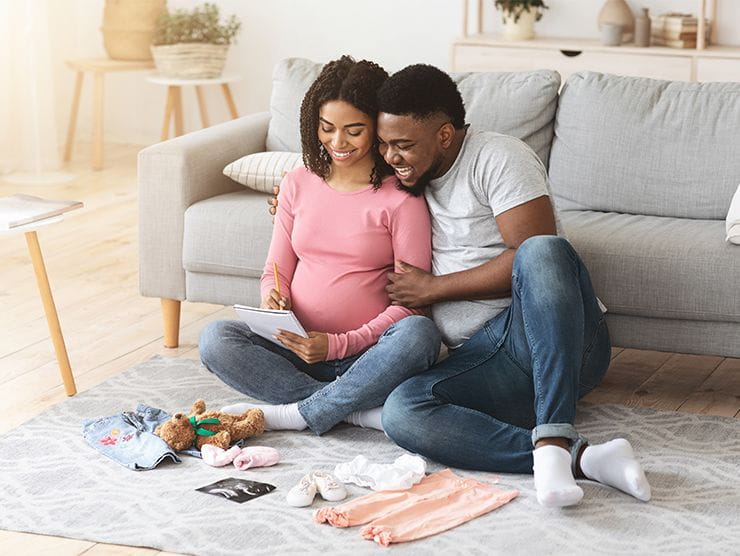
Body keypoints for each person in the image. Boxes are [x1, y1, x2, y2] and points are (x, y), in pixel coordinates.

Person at [371, 64, 651, 508]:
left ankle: (555, 433)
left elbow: (532, 252)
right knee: (403, 412)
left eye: (403, 145)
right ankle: (582, 459)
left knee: (541, 251)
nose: (390, 156)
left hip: (555, 342)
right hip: (484, 360)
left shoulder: (499, 157)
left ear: (445, 135)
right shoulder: (407, 172)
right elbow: (331, 174)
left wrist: (433, 289)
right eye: (383, 144)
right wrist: (289, 197)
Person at [199, 56, 440, 437]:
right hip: (296, 348)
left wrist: (337, 345)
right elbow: (273, 271)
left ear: (377, 127)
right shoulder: (297, 182)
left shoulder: (401, 199)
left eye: (354, 130)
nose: (337, 142)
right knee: (215, 339)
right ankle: (351, 410)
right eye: (327, 128)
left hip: (368, 355)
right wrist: (272, 297)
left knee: (419, 336)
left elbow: (413, 305)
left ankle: (301, 410)